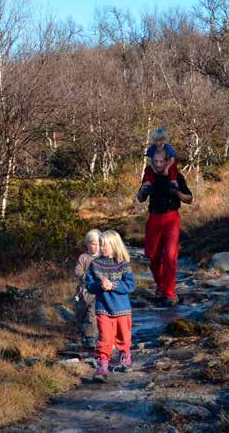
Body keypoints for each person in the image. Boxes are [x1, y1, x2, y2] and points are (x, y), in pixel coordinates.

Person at [137, 149, 193, 307]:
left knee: (169, 256)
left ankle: (169, 293)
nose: (158, 164)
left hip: (171, 218)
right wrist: (142, 191)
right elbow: (141, 199)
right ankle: (161, 285)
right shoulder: (150, 176)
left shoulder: (176, 177)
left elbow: (189, 198)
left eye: (161, 161)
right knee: (151, 255)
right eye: (155, 161)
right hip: (154, 218)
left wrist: (177, 193)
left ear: (168, 161)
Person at [85, 230, 135, 383]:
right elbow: (89, 285)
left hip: (122, 310)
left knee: (123, 336)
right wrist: (100, 285)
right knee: (105, 338)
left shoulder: (123, 264)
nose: (101, 248)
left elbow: (130, 285)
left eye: (104, 245)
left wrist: (113, 285)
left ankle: (125, 355)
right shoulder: (95, 264)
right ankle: (102, 365)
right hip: (103, 309)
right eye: (100, 245)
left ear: (114, 245)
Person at [74, 229, 102, 349]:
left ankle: (91, 337)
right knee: (81, 313)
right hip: (83, 290)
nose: (95, 247)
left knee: (92, 314)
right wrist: (89, 276)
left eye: (97, 244)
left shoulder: (103, 257)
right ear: (87, 244)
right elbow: (77, 272)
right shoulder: (84, 257)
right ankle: (83, 334)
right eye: (92, 244)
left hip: (97, 291)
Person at [142, 128, 178, 192]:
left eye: (160, 140)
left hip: (167, 164)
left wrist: (167, 168)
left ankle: (173, 181)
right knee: (148, 169)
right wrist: (153, 169)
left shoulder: (168, 147)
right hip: (156, 165)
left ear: (164, 139)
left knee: (173, 167)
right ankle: (148, 182)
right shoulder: (152, 148)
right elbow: (151, 160)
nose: (158, 143)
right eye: (156, 140)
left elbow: (172, 160)